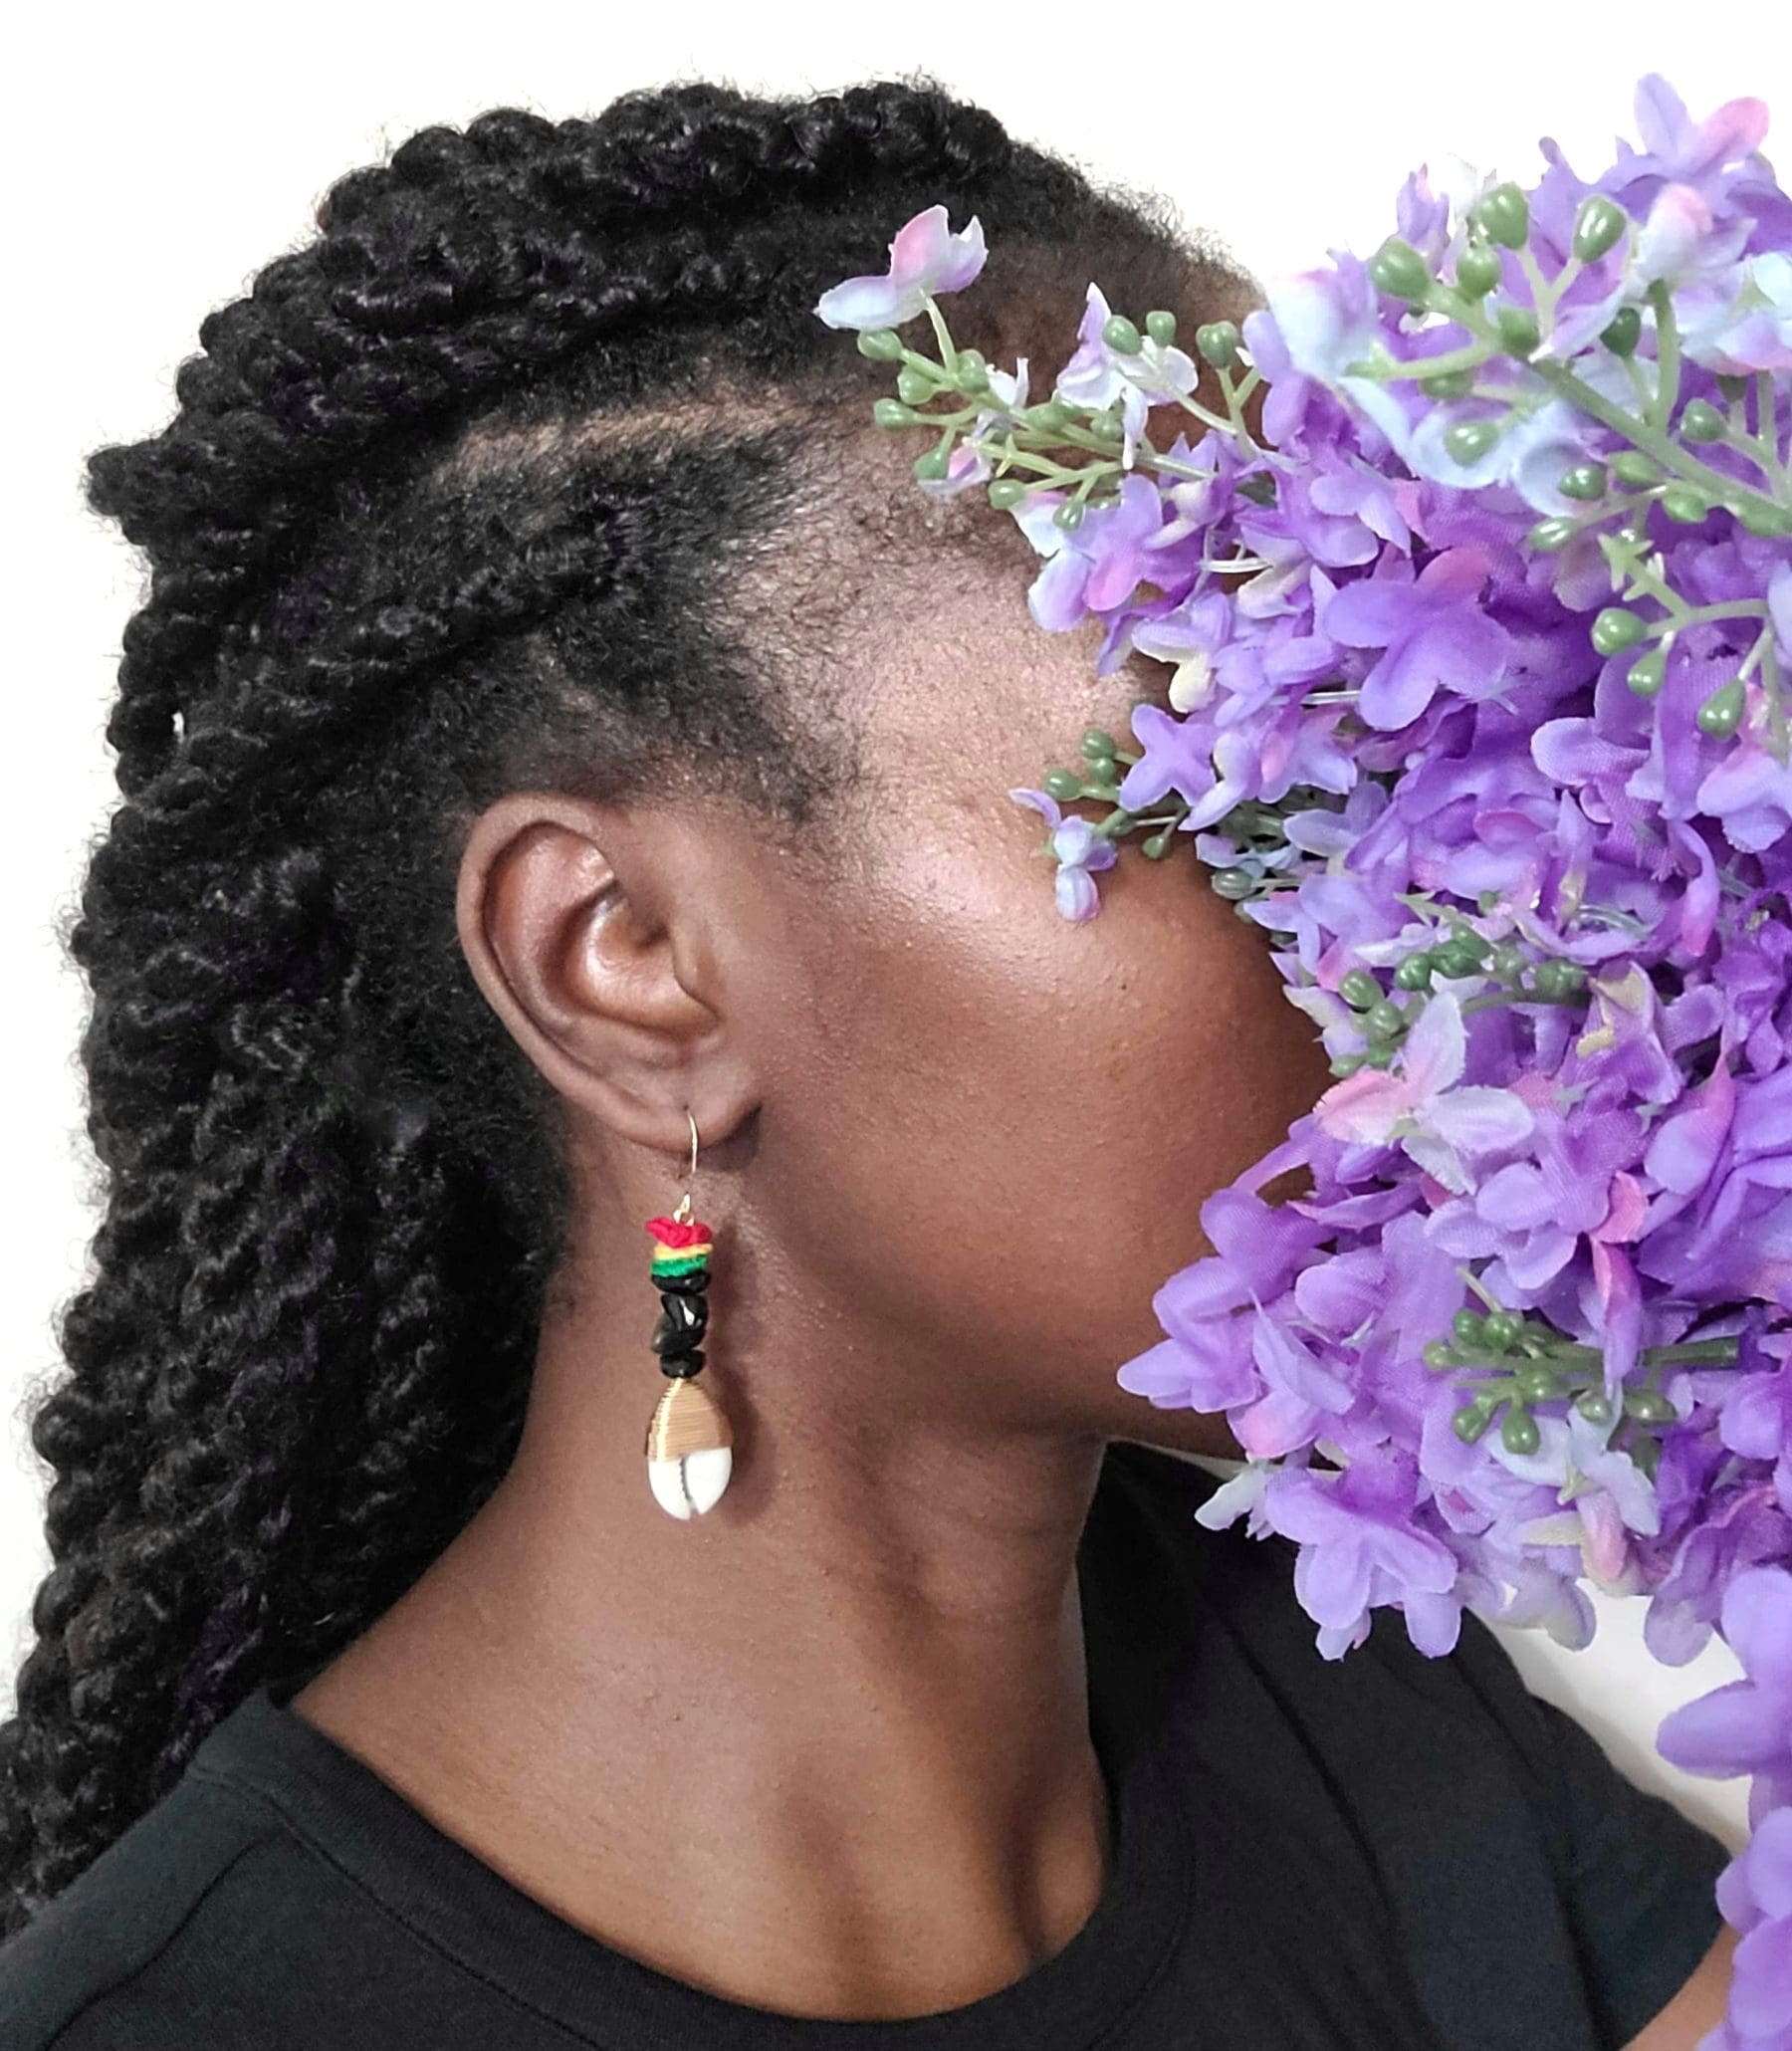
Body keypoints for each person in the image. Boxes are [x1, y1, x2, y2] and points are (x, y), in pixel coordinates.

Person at [0, 72, 1739, 2051]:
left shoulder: (1364, 1703)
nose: (1459, 914)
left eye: (1412, 744)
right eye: (1234, 782)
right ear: (625, 966)